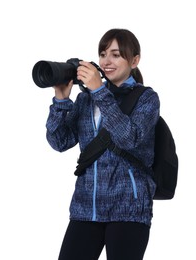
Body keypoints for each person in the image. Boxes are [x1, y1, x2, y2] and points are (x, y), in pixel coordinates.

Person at [46, 28, 160, 260]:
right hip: (85, 208)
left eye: (116, 55)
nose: (106, 61)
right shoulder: (86, 99)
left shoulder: (146, 98)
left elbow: (129, 138)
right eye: (103, 54)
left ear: (134, 60)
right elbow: (60, 142)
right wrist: (60, 100)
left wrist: (99, 90)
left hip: (128, 210)